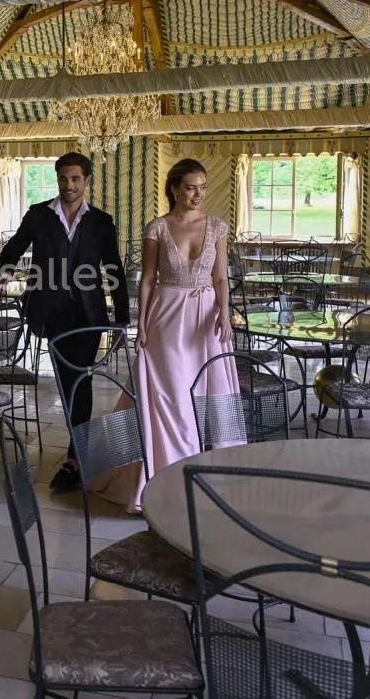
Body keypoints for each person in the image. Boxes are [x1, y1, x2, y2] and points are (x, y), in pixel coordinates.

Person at [88, 157, 242, 514]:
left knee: (212, 391)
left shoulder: (218, 227)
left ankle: (212, 473)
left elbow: (221, 277)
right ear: (174, 189)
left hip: (207, 319)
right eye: (190, 188)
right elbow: (147, 279)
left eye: (202, 188)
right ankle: (169, 476)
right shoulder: (157, 227)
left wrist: (224, 313)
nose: (198, 194)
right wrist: (141, 324)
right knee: (170, 394)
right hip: (167, 317)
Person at [0, 152, 129, 492]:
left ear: (86, 181)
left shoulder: (101, 222)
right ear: (58, 180)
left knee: (80, 381)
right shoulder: (39, 214)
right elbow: (14, 246)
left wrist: (121, 321)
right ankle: (79, 452)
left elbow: (113, 269)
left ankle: (75, 459)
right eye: (63, 179)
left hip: (89, 314)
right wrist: (6, 269)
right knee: (68, 381)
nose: (69, 185)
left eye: (75, 179)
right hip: (52, 312)